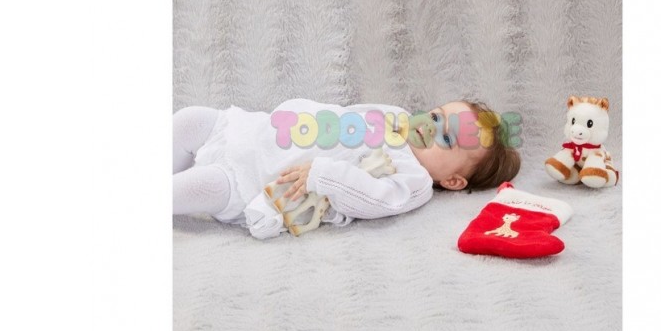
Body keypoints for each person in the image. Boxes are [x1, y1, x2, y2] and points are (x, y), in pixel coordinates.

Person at [172, 97, 521, 239]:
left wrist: (324, 175)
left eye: (445, 138)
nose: (429, 128)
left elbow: (377, 197)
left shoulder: (414, 179)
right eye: (435, 117)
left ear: (454, 181)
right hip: (254, 132)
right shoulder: (397, 119)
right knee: (189, 120)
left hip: (252, 179)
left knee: (198, 186)